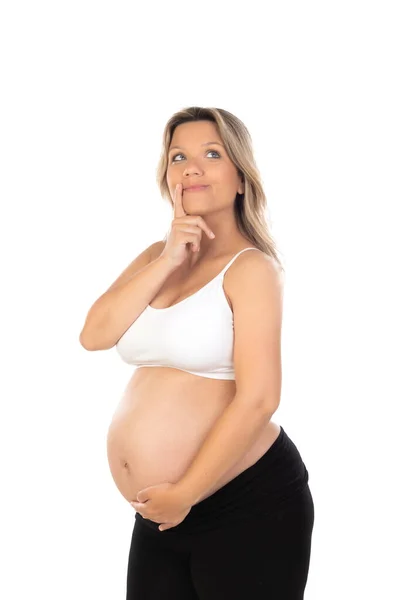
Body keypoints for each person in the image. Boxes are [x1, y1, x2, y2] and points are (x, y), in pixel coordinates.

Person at [79, 106, 314, 599]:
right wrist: (168, 257)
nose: (191, 167)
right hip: (161, 514)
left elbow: (259, 399)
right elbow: (95, 334)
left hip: (245, 503)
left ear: (241, 179)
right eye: (178, 156)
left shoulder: (252, 269)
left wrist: (185, 493)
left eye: (212, 153)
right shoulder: (156, 257)